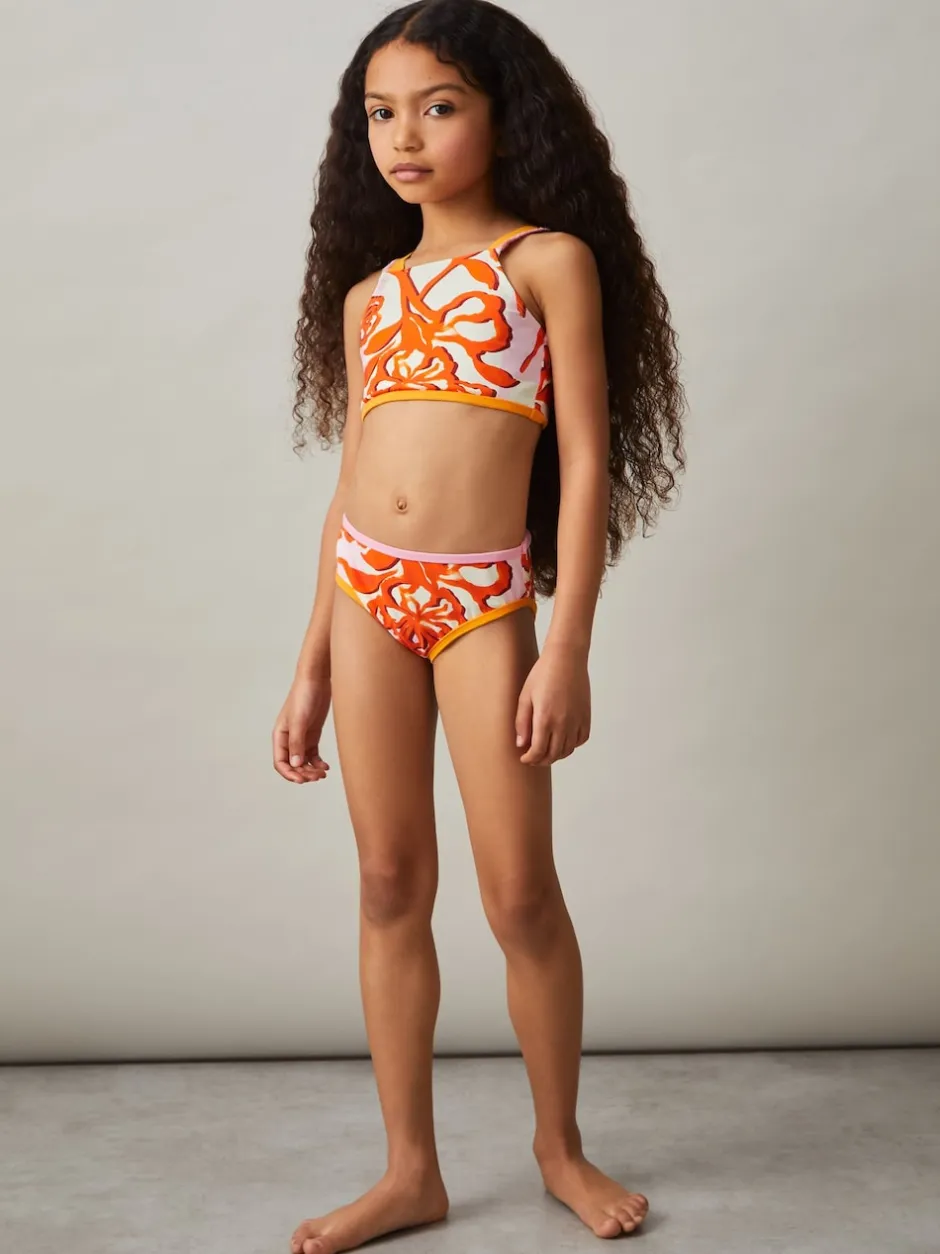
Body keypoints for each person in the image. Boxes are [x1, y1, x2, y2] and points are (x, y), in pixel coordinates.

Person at [273, 2, 686, 1250]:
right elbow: (351, 482)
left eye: (438, 107)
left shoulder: (542, 263)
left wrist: (568, 648)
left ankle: (559, 1147)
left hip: (481, 603)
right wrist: (309, 666)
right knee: (387, 881)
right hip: (366, 595)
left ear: (507, 118)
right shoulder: (369, 296)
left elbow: (585, 461)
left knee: (517, 894)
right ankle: (411, 1172)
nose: (404, 136)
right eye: (381, 114)